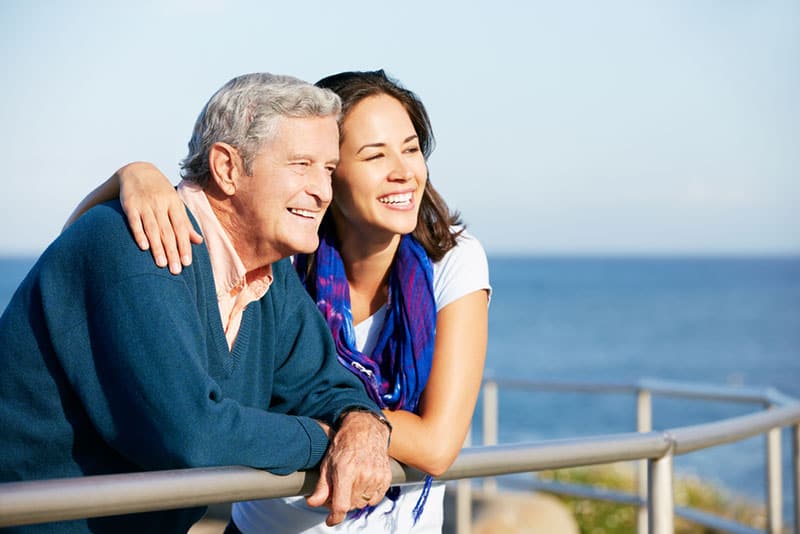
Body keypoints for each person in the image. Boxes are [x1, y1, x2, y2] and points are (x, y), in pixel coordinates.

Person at [74, 70, 490, 533]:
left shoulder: (447, 260)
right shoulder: (280, 253)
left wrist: (362, 423)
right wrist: (131, 176)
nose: (402, 169)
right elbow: (89, 261)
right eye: (373, 155)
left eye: (411, 148)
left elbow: (428, 440)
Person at [0, 73, 394, 533]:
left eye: (327, 169)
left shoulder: (271, 276)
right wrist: (323, 442)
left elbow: (327, 386)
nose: (322, 191)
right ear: (227, 168)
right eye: (301, 164)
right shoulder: (141, 244)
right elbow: (191, 435)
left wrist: (363, 425)